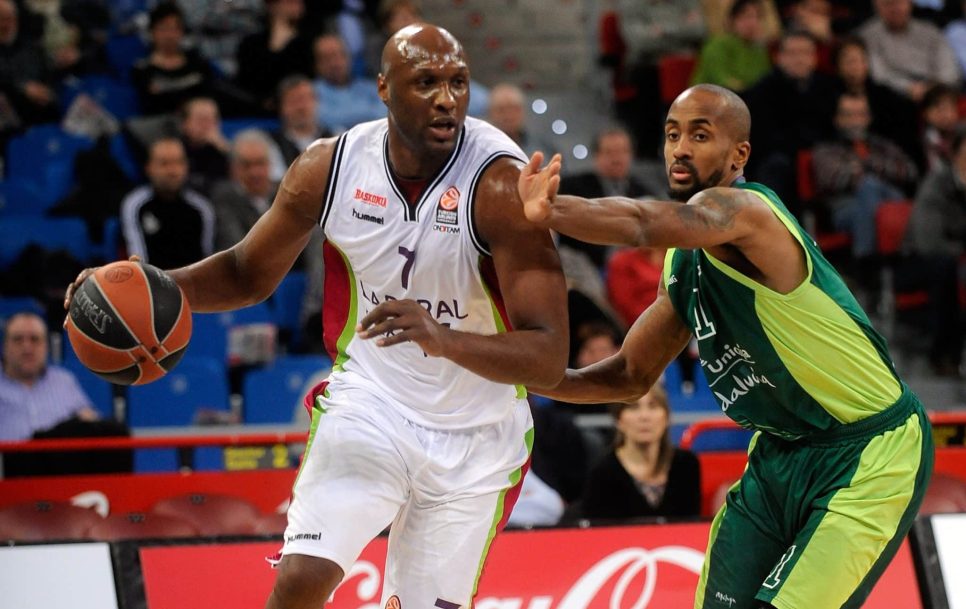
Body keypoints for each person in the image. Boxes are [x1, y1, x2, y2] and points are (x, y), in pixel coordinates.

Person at [67, 23, 567, 609]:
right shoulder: (329, 168)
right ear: (382, 88)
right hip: (373, 403)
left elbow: (549, 356)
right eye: (426, 81)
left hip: (479, 433)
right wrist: (148, 290)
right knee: (302, 579)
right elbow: (247, 273)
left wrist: (443, 337)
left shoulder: (501, 185)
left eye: (458, 82)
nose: (445, 98)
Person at [517, 83, 933, 609]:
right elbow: (628, 375)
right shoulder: (683, 264)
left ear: (740, 154)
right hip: (780, 451)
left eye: (700, 134)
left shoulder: (748, 212)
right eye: (671, 135)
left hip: (868, 449)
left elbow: (644, 221)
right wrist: (523, 375)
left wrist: (551, 209)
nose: (681, 148)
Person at [580, 383, 701, 521]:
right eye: (633, 407)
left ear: (666, 417)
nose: (644, 416)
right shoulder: (602, 472)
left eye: (653, 406)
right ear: (619, 420)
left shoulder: (686, 464)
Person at [0, 312, 98, 442]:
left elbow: (90, 421)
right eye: (18, 339)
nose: (27, 348)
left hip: (59, 460)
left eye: (35, 339)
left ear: (46, 346)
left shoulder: (64, 381)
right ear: (4, 346)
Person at [120, 137, 215, 269]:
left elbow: (207, 258)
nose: (172, 171)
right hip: (150, 283)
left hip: (193, 283)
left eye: (178, 163)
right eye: (164, 164)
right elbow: (137, 260)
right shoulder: (135, 205)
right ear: (148, 168)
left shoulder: (201, 208)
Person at [858, 0, 960, 103]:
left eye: (900, 3)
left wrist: (933, 88)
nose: (895, 8)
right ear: (876, 6)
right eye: (888, 4)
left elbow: (949, 69)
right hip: (891, 97)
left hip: (936, 93)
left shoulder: (930, 32)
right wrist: (907, 87)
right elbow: (879, 74)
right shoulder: (866, 36)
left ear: (910, 3)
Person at [130, 2, 215, 116]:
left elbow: (211, 96)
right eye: (164, 28)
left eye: (175, 28)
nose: (170, 35)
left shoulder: (198, 62)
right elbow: (148, 106)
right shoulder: (142, 69)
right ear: (152, 32)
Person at [690, 0, 771, 93]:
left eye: (758, 17)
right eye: (747, 16)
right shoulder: (717, 44)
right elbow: (724, 82)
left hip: (748, 100)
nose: (753, 22)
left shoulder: (759, 49)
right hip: (709, 101)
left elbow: (765, 81)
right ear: (731, 20)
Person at [311, 32, 384, 133]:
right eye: (327, 58)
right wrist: (367, 115)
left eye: (338, 55)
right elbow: (326, 120)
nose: (334, 63)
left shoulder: (370, 87)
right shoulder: (312, 92)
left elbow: (385, 114)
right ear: (317, 64)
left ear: (348, 58)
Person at [267, 75, 331, 181]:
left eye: (305, 99)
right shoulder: (271, 144)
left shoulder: (337, 136)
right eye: (293, 101)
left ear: (316, 102)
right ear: (282, 107)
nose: (301, 107)